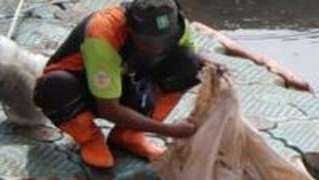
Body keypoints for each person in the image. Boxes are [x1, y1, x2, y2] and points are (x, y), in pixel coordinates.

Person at [33, 0, 200, 169]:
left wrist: (214, 68)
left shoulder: (180, 26)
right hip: (83, 88)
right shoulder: (102, 32)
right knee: (54, 87)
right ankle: (90, 138)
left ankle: (128, 135)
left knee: (189, 65)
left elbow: (190, 57)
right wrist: (167, 130)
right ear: (130, 29)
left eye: (164, 41)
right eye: (147, 42)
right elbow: (109, 109)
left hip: (123, 78)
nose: (156, 49)